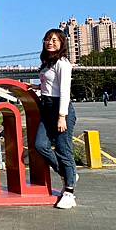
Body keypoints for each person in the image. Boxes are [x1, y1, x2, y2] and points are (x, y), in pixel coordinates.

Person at [33, 29, 78, 209]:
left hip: (61, 109)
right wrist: (35, 86)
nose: (50, 42)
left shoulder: (63, 63)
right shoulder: (47, 63)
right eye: (47, 39)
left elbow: (64, 91)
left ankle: (69, 192)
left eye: (54, 40)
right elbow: (50, 85)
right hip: (47, 109)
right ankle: (69, 173)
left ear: (61, 43)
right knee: (40, 145)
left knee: (63, 150)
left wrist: (62, 117)